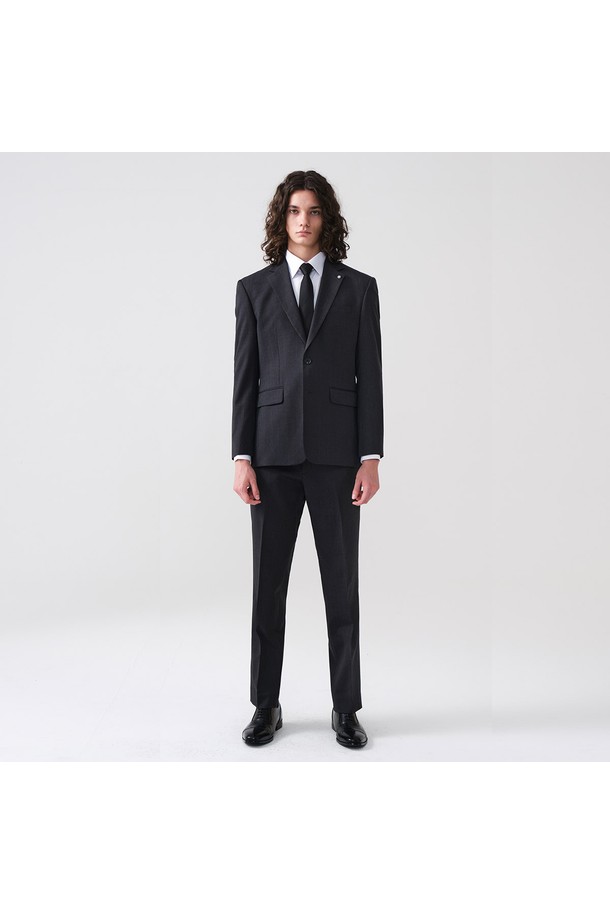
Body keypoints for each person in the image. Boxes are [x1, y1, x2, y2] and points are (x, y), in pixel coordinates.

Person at [231, 169, 383, 749]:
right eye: (295, 210)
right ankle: (264, 705)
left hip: (338, 458)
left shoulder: (359, 288)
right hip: (270, 458)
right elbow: (245, 378)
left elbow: (370, 376)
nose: (304, 220)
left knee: (341, 588)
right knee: (267, 588)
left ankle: (346, 708)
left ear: (327, 219)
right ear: (282, 218)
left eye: (314, 211)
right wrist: (242, 455)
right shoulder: (254, 289)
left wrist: (370, 456)